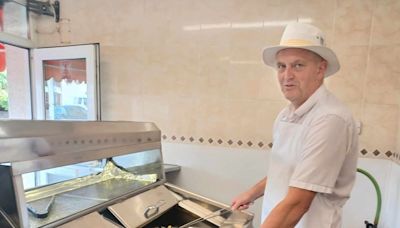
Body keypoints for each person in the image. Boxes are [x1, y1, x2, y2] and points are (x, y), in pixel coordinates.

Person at [231, 22, 359, 228]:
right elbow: (288, 172)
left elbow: (298, 202)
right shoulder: (286, 115)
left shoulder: (330, 119)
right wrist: (252, 193)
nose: (287, 75)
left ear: (321, 68)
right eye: (281, 66)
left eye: (298, 65)